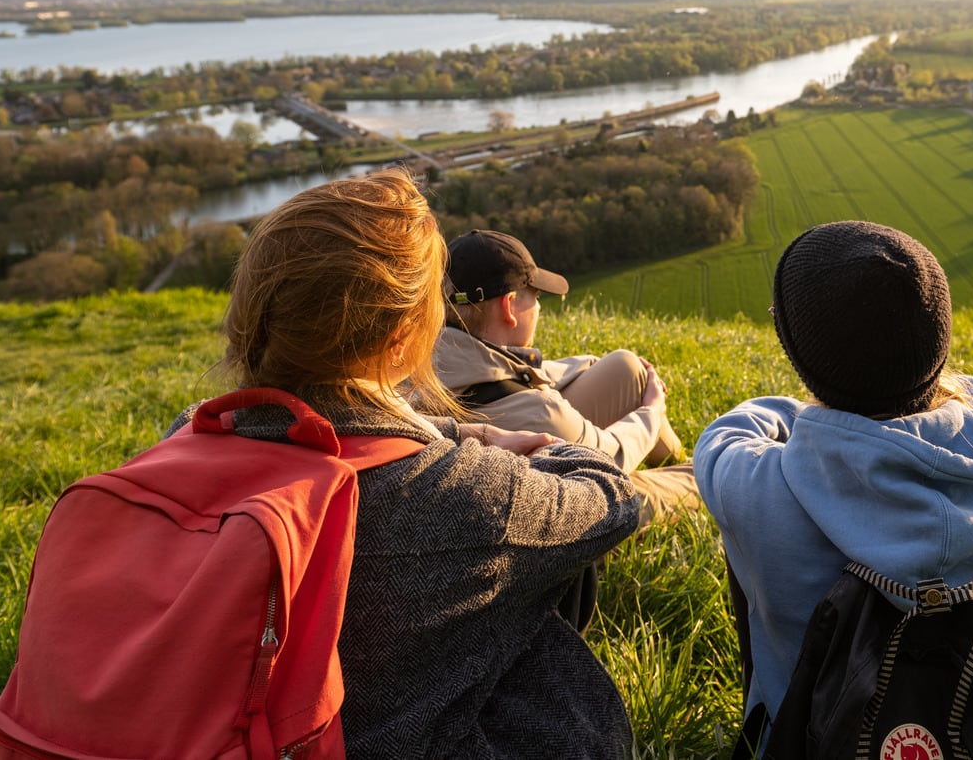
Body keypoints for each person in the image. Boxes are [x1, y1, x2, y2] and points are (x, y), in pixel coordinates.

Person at [170, 169, 640, 759]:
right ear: (401, 338)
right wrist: (487, 450)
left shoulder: (190, 430)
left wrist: (456, 429)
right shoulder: (459, 497)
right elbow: (612, 498)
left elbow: (327, 426)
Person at [695, 220, 973, 760]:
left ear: (803, 358)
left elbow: (729, 431)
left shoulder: (754, 485)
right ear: (940, 342)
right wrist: (926, 369)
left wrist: (808, 409)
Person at [431, 228, 699, 524]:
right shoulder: (538, 412)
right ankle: (702, 469)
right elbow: (610, 458)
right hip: (546, 520)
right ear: (509, 307)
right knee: (700, 479)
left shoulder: (427, 359)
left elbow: (517, 373)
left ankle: (679, 454)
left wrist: (591, 363)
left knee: (628, 368)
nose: (539, 306)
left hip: (473, 497)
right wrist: (652, 409)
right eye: (534, 296)